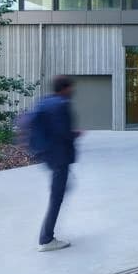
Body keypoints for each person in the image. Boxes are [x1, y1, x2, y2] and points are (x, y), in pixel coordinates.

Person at [27, 75, 80, 252]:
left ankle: (47, 237)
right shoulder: (61, 105)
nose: (73, 91)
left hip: (49, 156)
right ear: (64, 88)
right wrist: (75, 134)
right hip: (60, 157)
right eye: (71, 88)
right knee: (56, 198)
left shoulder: (46, 101)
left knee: (61, 191)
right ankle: (46, 239)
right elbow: (63, 133)